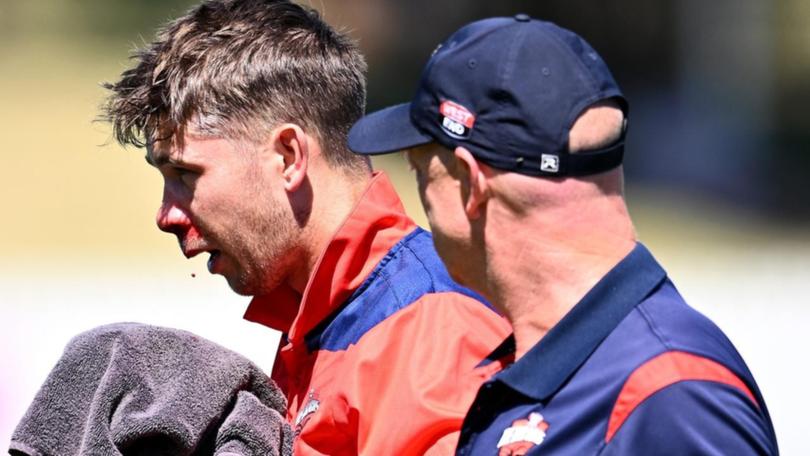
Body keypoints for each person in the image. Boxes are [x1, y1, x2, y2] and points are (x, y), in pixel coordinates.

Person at [348, 15, 779, 455]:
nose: (421, 200)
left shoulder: (670, 395)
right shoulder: (543, 366)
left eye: (421, 171)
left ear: (470, 183)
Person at [101, 1, 511, 455]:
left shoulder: (432, 329)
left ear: (289, 158)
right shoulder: (321, 313)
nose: (166, 215)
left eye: (186, 174)